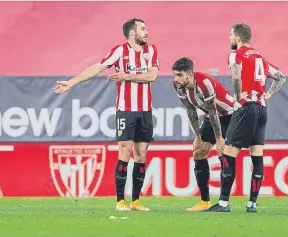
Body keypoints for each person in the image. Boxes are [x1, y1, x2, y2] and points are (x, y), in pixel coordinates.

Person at [54, 18, 159, 211]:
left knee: (141, 155)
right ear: (132, 33)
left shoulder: (151, 51)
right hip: (125, 110)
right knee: (125, 150)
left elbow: (152, 76)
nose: (147, 32)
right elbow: (97, 67)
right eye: (143, 29)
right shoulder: (119, 51)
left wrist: (126, 76)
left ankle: (135, 201)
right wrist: (72, 82)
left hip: (145, 110)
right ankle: (120, 201)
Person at [205, 23, 287, 212]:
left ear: (238, 38)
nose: (229, 38)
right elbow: (281, 77)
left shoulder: (236, 55)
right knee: (256, 155)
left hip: (246, 107)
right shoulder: (260, 57)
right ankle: (252, 204)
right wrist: (268, 95)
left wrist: (237, 95)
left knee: (228, 153)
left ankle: (224, 203)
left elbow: (235, 76)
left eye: (231, 35)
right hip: (261, 110)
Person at [172, 57, 234, 211]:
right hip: (210, 117)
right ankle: (204, 201)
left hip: (229, 116)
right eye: (175, 74)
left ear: (190, 74)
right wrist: (198, 136)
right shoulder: (179, 86)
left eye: (180, 75)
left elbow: (213, 111)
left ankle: (223, 203)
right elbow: (190, 110)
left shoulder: (204, 83)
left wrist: (219, 139)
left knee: (223, 153)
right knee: (199, 152)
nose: (176, 79)